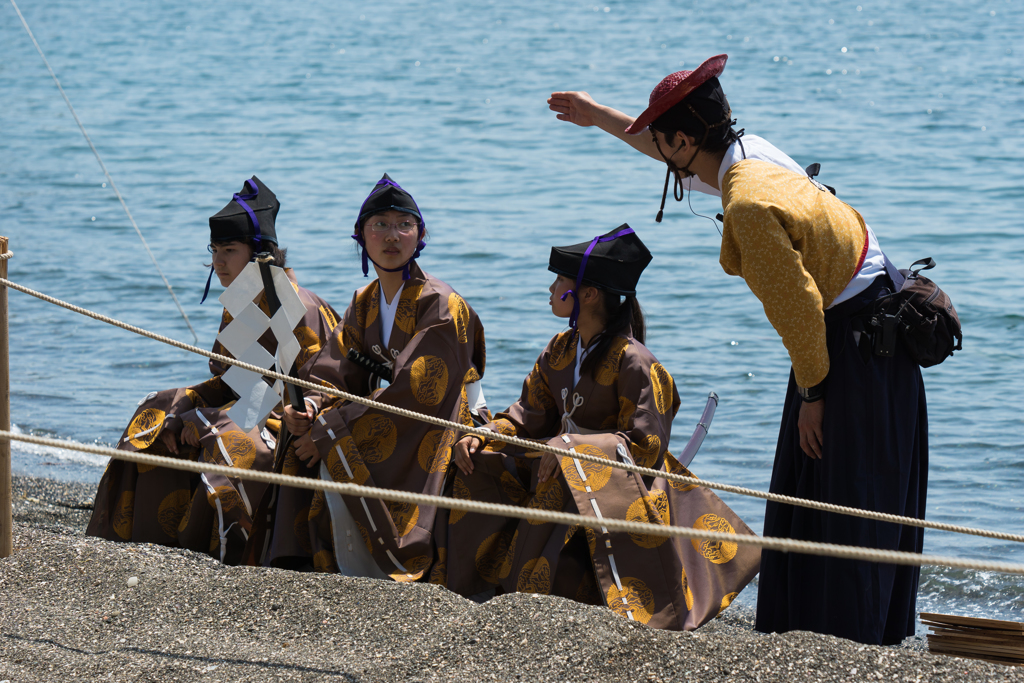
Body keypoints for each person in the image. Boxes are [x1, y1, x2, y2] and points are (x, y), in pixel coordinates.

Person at [554, 55, 926, 645]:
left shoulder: (749, 203)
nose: (660, 151)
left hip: (852, 352)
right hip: (865, 332)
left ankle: (846, 642)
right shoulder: (746, 150)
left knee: (842, 502)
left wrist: (814, 393)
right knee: (831, 498)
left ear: (685, 136)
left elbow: (797, 308)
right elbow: (672, 150)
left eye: (663, 138)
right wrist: (598, 115)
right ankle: (849, 634)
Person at [444, 226, 760, 631]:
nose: (552, 287)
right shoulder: (559, 349)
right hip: (556, 464)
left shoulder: (636, 362)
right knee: (474, 460)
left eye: (560, 280)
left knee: (559, 473)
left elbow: (645, 446)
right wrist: (484, 433)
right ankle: (470, 581)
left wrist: (571, 445)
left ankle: (532, 586)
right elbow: (529, 414)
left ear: (587, 294)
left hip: (616, 488)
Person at [87, 177, 341, 565]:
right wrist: (180, 414)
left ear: (259, 254)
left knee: (217, 432)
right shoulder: (240, 298)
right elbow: (233, 382)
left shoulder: (295, 306)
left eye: (229, 250)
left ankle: (220, 551)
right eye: (215, 250)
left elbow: (296, 394)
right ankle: (137, 540)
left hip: (301, 428)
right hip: (256, 412)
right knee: (157, 409)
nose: (218, 262)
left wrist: (205, 418)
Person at [250, 173, 488, 580]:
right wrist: (309, 407)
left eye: (403, 225)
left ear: (420, 234)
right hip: (382, 410)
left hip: (443, 419)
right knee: (301, 438)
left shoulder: (442, 305)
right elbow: (336, 370)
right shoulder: (364, 301)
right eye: (379, 225)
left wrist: (327, 429)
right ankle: (301, 563)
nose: (392, 236)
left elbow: (419, 392)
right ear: (361, 235)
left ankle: (379, 560)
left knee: (330, 440)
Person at [548, 59, 807, 219]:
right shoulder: (749, 149)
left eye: (656, 135)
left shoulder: (747, 196)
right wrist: (594, 113)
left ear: (682, 141)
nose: (655, 146)